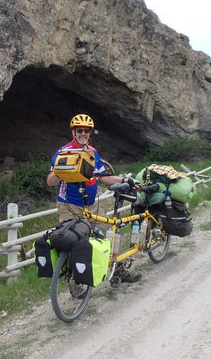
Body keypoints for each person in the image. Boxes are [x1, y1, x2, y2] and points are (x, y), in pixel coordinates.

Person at [47, 113, 142, 284]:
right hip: (69, 205)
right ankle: (74, 282)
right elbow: (50, 181)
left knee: (110, 230)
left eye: (86, 131)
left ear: (90, 133)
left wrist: (125, 180)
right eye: (80, 130)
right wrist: (62, 172)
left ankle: (116, 269)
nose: (83, 133)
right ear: (73, 132)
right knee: (74, 240)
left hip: (91, 205)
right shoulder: (63, 152)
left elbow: (102, 177)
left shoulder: (92, 152)